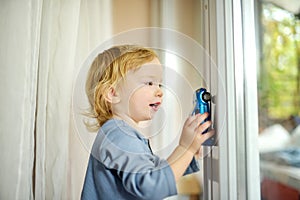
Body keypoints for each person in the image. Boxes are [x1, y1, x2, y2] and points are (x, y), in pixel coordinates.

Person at [81, 44, 214, 200]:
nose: (159, 92)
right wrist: (186, 149)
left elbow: (153, 171)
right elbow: (152, 186)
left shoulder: (116, 133)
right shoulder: (119, 136)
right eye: (149, 83)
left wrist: (190, 153)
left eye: (160, 84)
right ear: (113, 93)